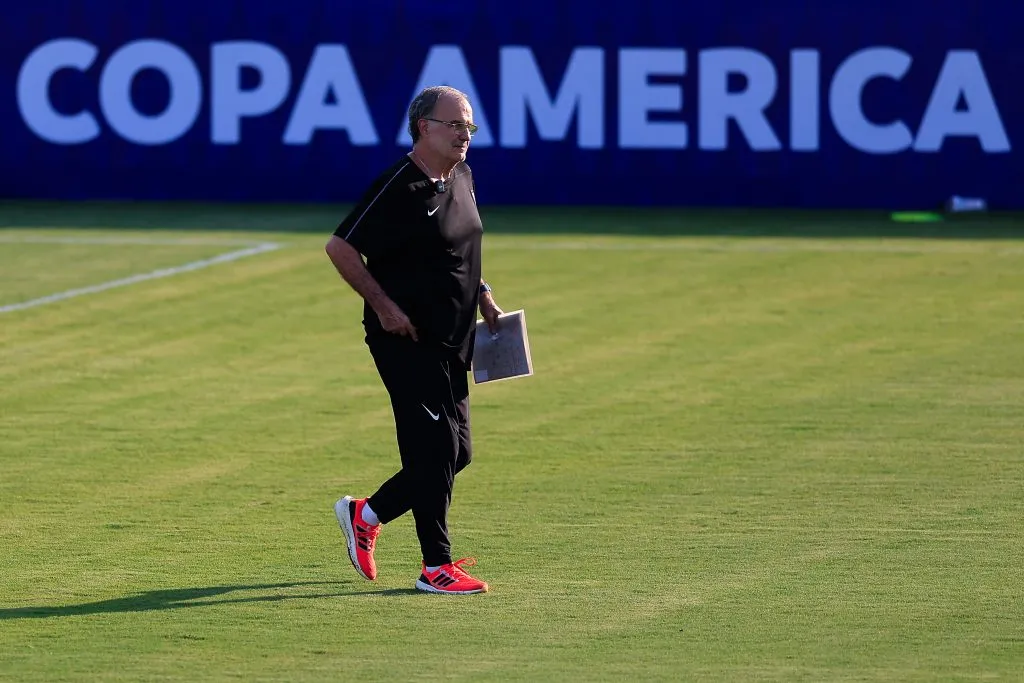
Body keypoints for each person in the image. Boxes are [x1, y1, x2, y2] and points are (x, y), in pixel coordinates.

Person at [324, 85, 503, 595]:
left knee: (457, 453)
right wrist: (385, 308)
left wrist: (484, 295)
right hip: (407, 341)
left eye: (469, 126)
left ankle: (367, 514)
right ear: (423, 127)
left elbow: (460, 252)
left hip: (454, 337)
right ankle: (435, 567)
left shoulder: (462, 176)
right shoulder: (398, 186)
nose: (464, 134)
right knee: (435, 450)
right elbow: (340, 247)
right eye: (454, 124)